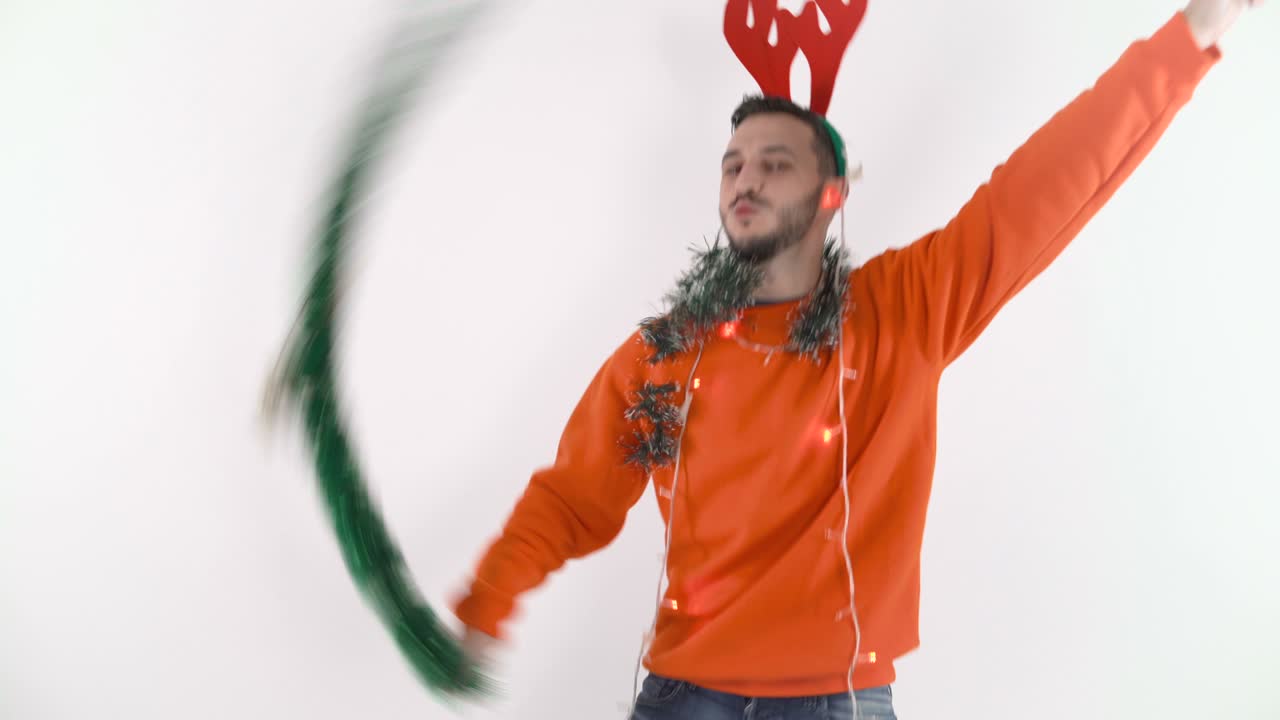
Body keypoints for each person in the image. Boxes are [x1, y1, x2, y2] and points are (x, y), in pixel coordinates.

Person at [450, 1, 1260, 717]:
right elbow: (573, 497)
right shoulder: (666, 353)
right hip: (683, 697)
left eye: (776, 164)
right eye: (734, 164)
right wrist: (486, 603)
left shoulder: (904, 309)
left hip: (835, 699)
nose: (745, 179)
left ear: (831, 193)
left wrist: (1195, 33)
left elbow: (1048, 182)